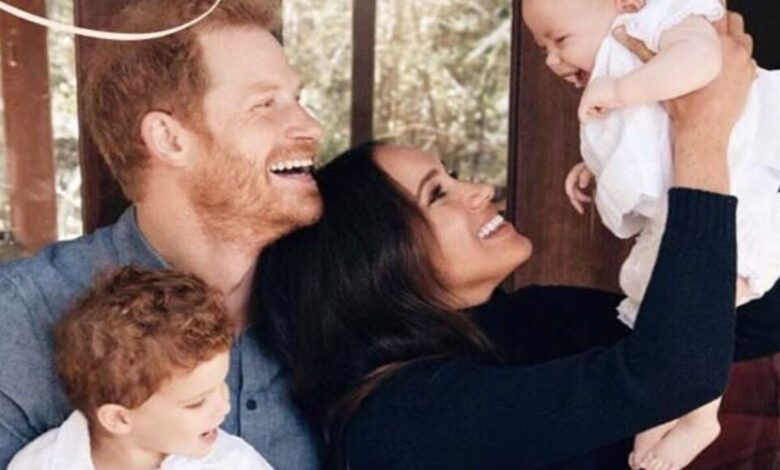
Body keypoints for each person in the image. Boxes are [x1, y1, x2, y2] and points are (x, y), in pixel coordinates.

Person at [254, 14, 758, 470]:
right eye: (438, 194)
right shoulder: (403, 420)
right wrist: (700, 133)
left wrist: (746, 143)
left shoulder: (523, 320)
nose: (479, 190)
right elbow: (672, 374)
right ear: (375, 263)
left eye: (451, 176)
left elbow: (744, 325)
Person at [0, 1, 323, 468]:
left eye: (296, 98)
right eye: (264, 104)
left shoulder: (334, 298)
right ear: (170, 139)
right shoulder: (21, 317)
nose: (311, 126)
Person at [522, 0, 780, 467]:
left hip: (736, 204)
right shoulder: (628, 59)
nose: (553, 61)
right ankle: (664, 410)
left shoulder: (663, 21)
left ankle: (700, 418)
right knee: (660, 308)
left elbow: (703, 61)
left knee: (697, 310)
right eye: (543, 48)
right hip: (687, 206)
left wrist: (621, 90)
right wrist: (597, 166)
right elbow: (651, 134)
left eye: (560, 40)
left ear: (626, 3)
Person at [9, 267, 274, 470]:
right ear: (119, 418)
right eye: (196, 403)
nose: (224, 407)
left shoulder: (234, 463)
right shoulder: (42, 464)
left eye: (222, 385)